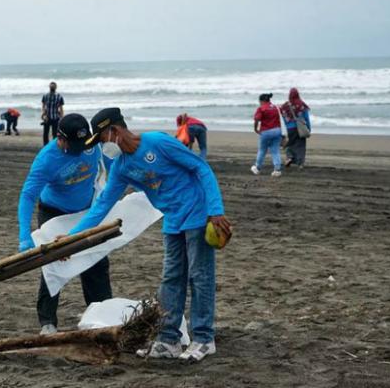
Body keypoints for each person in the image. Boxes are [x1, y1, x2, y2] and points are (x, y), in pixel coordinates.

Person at [67, 108, 231, 362]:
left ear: (116, 131)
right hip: (173, 219)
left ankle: (203, 338)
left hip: (197, 212)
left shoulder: (157, 142)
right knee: (171, 279)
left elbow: (201, 168)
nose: (103, 146)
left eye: (102, 139)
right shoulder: (122, 167)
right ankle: (168, 340)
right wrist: (71, 238)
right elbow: (102, 205)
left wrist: (215, 210)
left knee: (199, 276)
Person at [18, 114, 112, 335]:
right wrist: (24, 235)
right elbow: (28, 195)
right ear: (60, 139)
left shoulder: (91, 145)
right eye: (76, 145)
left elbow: (111, 165)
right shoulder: (47, 159)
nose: (82, 149)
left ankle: (101, 314)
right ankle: (48, 322)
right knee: (53, 264)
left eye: (84, 143)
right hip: (54, 214)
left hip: (86, 212)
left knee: (96, 261)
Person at [251, 93, 284, 177]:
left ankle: (257, 168)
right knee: (275, 151)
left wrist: (255, 129)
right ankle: (277, 169)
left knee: (262, 150)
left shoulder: (261, 108)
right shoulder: (277, 107)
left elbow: (257, 119)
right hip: (277, 130)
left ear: (261, 101)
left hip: (266, 131)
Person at [280, 88, 311, 168]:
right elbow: (306, 118)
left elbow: (282, 118)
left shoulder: (285, 105)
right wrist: (308, 128)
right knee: (300, 146)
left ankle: (289, 158)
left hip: (289, 128)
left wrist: (283, 128)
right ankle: (300, 163)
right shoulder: (301, 104)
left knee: (289, 144)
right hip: (300, 129)